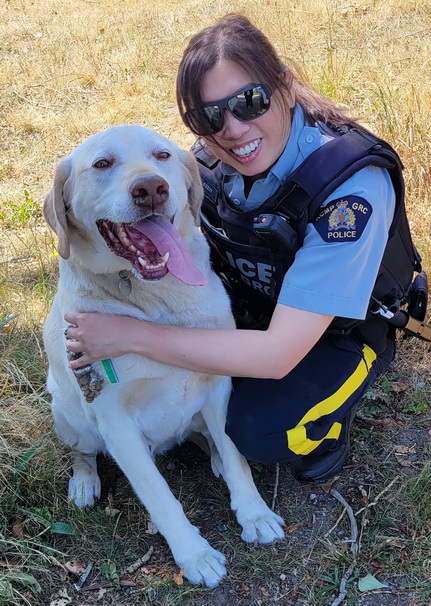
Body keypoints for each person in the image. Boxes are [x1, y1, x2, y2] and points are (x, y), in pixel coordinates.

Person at [65, 14, 399, 483]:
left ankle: (328, 422)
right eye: (208, 116)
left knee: (258, 429)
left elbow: (277, 354)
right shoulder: (201, 166)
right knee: (211, 387)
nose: (233, 129)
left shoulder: (349, 188)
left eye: (250, 101)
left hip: (340, 332)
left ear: (284, 85)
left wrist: (128, 337)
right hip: (260, 309)